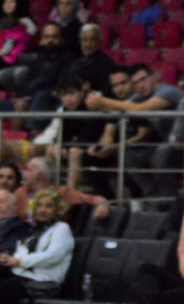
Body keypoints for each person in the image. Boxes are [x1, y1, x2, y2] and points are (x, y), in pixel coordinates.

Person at [87, 64, 184, 196]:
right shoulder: (140, 96)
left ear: (154, 76)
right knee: (126, 155)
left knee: (161, 152)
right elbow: (121, 107)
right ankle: (151, 193)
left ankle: (168, 199)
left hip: (178, 144)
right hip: (167, 145)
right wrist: (94, 103)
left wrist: (102, 100)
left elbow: (140, 109)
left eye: (143, 79)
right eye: (136, 83)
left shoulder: (168, 92)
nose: (141, 85)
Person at [32, 76, 104, 191]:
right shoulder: (66, 111)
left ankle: (70, 191)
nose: (68, 99)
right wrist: (62, 146)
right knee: (52, 149)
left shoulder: (90, 108)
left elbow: (90, 136)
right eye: (64, 95)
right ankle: (53, 188)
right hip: (75, 146)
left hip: (94, 148)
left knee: (74, 152)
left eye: (72, 93)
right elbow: (62, 134)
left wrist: (68, 147)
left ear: (81, 93)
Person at [14, 156, 110, 222]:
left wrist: (103, 205)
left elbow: (93, 199)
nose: (24, 173)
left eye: (28, 170)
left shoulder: (62, 192)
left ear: (40, 175)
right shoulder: (20, 192)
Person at [65, 24, 116, 95]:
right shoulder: (75, 63)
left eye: (92, 40)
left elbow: (108, 90)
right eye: (84, 40)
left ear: (100, 42)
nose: (88, 44)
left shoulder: (107, 63)